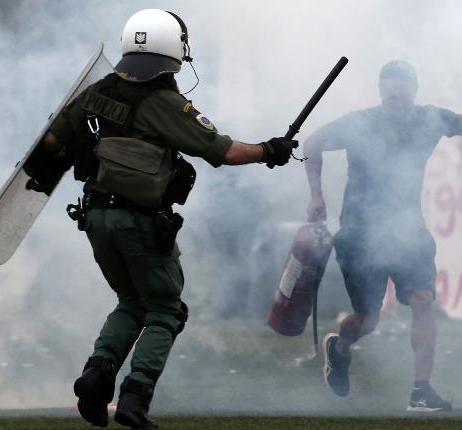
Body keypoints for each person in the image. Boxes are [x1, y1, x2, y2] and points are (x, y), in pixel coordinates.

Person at [37, 9, 296, 429]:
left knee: (131, 301)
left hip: (95, 218)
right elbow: (223, 151)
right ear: (176, 50)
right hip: (139, 222)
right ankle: (134, 400)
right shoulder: (166, 104)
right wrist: (270, 150)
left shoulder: (93, 94)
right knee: (165, 310)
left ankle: (95, 376)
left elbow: (50, 141)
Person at [304, 60, 462, 412]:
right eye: (390, 94)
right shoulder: (360, 123)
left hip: (408, 231)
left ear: (414, 92)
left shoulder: (429, 118)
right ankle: (340, 347)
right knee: (368, 319)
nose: (397, 101)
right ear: (381, 92)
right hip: (360, 234)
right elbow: (313, 142)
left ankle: (421, 391)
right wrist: (317, 195)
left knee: (422, 301)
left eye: (403, 94)